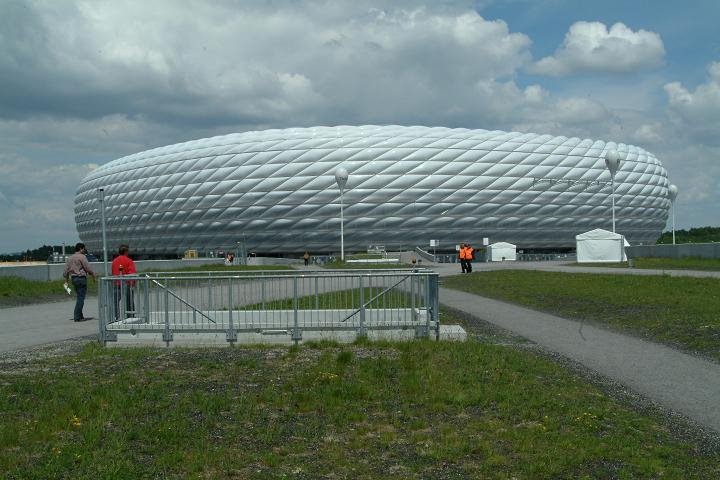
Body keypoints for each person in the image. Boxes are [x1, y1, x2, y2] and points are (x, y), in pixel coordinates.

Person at [63, 242, 96, 321]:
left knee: (79, 297)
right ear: (81, 248)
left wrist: (66, 281)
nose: (85, 250)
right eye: (84, 249)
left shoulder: (70, 258)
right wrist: (93, 274)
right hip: (81, 278)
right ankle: (77, 317)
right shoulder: (82, 257)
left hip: (74, 279)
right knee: (81, 298)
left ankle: (80, 315)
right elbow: (87, 268)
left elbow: (65, 271)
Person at [111, 244, 137, 320]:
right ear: (126, 251)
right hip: (127, 284)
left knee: (116, 301)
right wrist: (133, 283)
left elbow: (113, 271)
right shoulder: (129, 260)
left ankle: (116, 316)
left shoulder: (114, 261)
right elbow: (132, 273)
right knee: (129, 301)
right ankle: (130, 316)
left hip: (116, 283)